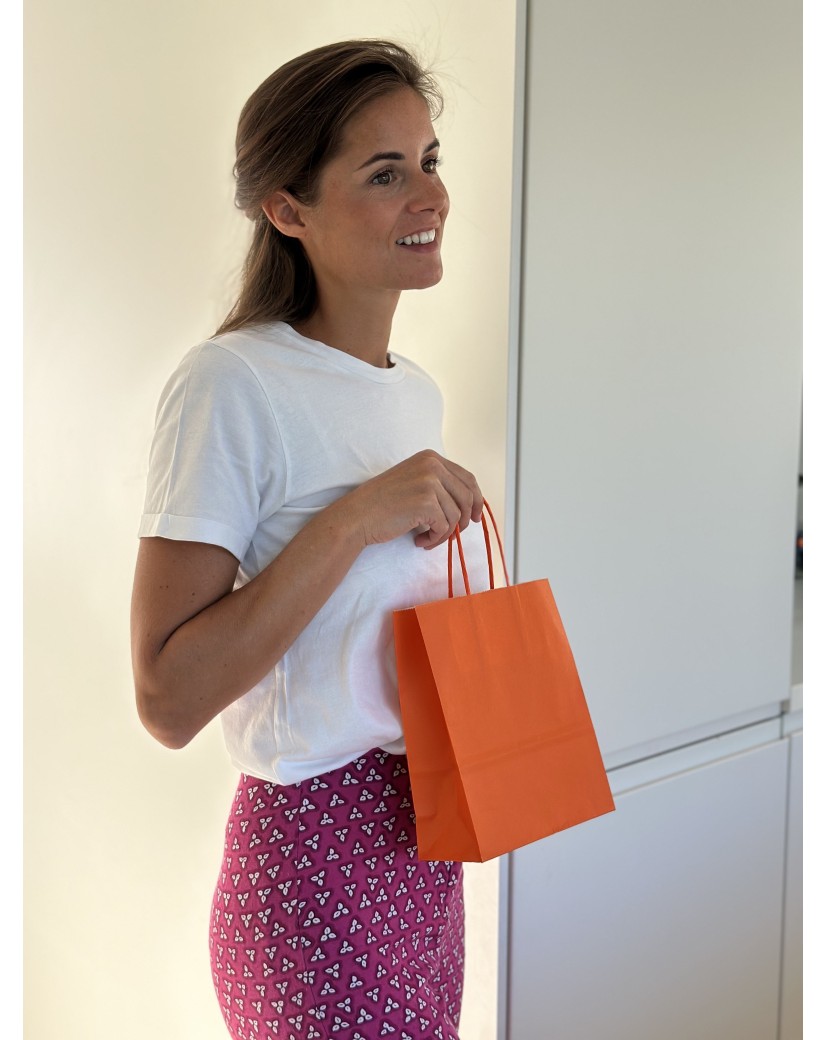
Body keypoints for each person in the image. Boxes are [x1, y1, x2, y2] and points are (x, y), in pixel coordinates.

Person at [130, 39, 489, 1040]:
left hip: (424, 840)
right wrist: (358, 516)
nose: (430, 195)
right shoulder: (230, 383)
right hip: (312, 863)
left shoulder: (412, 394)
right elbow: (166, 699)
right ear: (287, 210)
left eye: (429, 160)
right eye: (384, 173)